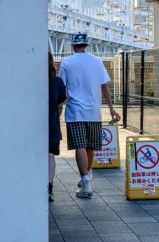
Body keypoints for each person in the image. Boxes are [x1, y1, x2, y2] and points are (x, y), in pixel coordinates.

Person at [59, 33, 120, 199]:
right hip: (94, 112)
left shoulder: (66, 63)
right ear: (87, 45)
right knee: (90, 146)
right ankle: (86, 177)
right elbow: (105, 87)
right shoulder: (97, 61)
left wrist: (58, 109)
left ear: (72, 45)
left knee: (79, 145)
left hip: (75, 111)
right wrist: (112, 109)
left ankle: (85, 181)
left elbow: (62, 88)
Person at [48, 51, 67, 203]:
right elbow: (60, 105)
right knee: (49, 156)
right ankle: (48, 187)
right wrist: (55, 118)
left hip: (30, 128)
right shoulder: (58, 82)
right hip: (52, 125)